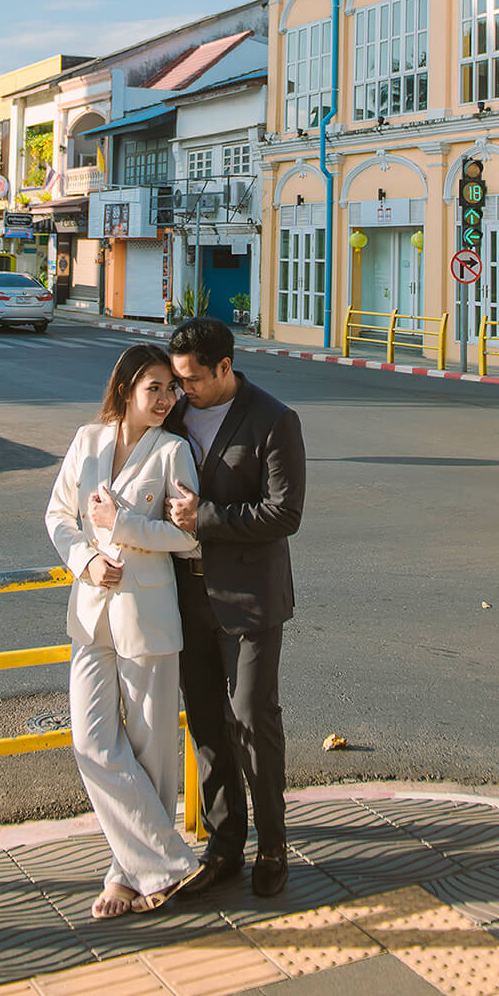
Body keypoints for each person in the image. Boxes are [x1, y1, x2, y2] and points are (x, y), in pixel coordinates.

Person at [45, 344, 202, 918]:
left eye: (170, 389)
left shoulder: (173, 452)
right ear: (125, 390)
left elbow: (188, 538)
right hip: (90, 613)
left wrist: (125, 527)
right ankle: (167, 864)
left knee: (150, 749)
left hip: (149, 615)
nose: (164, 399)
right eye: (153, 388)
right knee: (90, 740)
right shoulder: (88, 442)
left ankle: (126, 872)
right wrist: (86, 558)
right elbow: (58, 515)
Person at [164, 317, 305, 898]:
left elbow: (285, 514)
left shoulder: (273, 419)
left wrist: (206, 520)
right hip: (184, 597)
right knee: (205, 723)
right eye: (176, 379)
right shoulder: (170, 416)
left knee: (251, 718)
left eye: (193, 379)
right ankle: (224, 846)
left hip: (249, 601)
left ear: (225, 367)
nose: (183, 389)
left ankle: (273, 845)